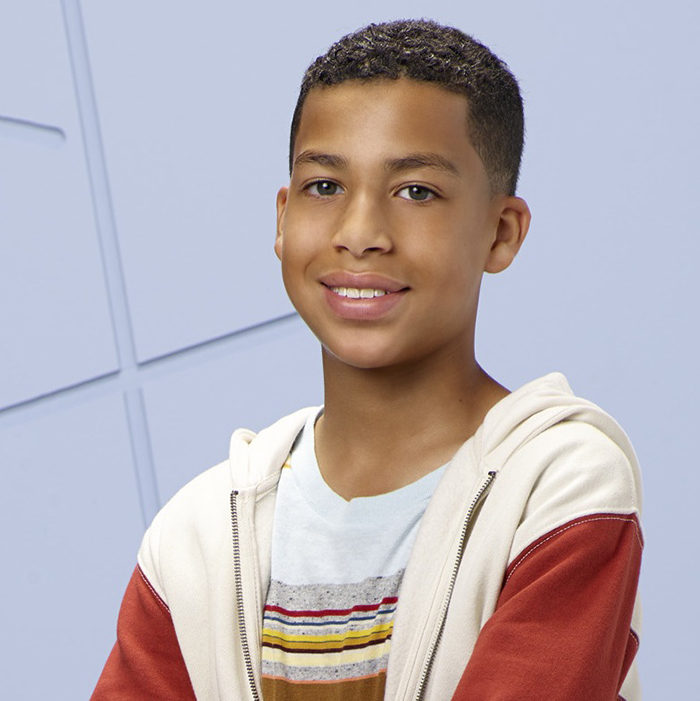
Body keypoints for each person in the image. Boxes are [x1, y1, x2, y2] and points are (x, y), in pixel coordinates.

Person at [91, 19, 643, 701]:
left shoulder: (558, 489)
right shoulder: (196, 538)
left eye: (416, 191)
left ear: (501, 233)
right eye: (325, 186)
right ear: (282, 218)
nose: (360, 234)